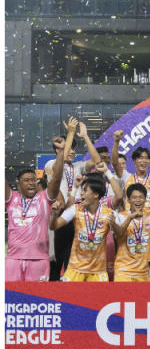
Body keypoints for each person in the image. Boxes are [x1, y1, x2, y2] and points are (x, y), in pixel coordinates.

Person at [5, 117, 74, 281]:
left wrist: (61, 152)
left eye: (34, 180)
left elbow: (56, 178)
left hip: (39, 260)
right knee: (11, 302)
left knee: (36, 303)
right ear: (18, 184)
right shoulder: (11, 199)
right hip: (13, 260)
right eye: (26, 180)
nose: (31, 183)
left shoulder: (44, 198)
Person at [46, 120, 103, 281]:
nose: (71, 151)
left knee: (73, 266)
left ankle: (70, 301)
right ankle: (53, 300)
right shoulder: (52, 164)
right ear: (58, 148)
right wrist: (70, 132)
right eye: (68, 148)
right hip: (59, 218)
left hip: (77, 219)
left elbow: (97, 160)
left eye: (73, 148)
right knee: (54, 266)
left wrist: (85, 137)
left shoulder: (77, 166)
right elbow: (62, 158)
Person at [111, 135, 150, 280]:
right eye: (140, 157)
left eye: (146, 158)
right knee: (130, 262)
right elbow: (115, 162)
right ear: (134, 161)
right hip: (130, 227)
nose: (143, 160)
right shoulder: (127, 176)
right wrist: (116, 141)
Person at [49, 177, 116, 282]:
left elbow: (121, 233)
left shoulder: (108, 213)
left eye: (85, 190)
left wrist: (116, 226)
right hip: (75, 269)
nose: (81, 194)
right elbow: (54, 226)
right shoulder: (75, 209)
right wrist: (54, 215)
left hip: (97, 271)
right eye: (81, 190)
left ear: (95, 194)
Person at [113, 183, 150, 282]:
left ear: (145, 200)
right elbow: (119, 234)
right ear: (128, 200)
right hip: (123, 271)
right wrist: (130, 218)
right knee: (123, 298)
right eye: (134, 197)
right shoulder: (121, 216)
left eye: (141, 197)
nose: (138, 200)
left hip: (143, 273)